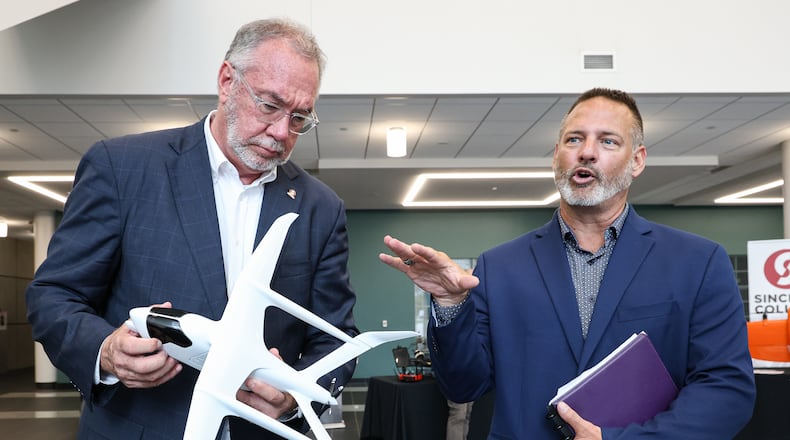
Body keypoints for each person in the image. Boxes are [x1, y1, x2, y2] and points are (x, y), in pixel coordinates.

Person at [25, 18, 359, 440]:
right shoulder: (123, 168)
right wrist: (105, 351)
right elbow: (54, 295)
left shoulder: (320, 207)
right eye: (269, 106)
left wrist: (295, 395)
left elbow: (337, 339)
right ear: (226, 81)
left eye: (299, 118)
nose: (280, 132)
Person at [380, 88, 755, 439]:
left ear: (637, 160)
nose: (587, 152)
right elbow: (464, 385)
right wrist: (450, 306)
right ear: (556, 153)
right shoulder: (499, 267)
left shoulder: (698, 262)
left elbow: (726, 390)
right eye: (575, 139)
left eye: (608, 141)